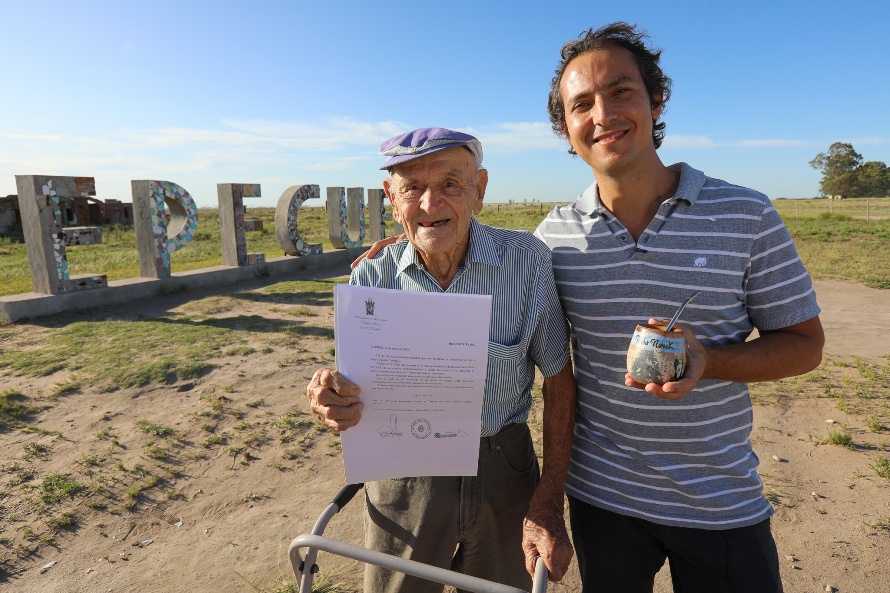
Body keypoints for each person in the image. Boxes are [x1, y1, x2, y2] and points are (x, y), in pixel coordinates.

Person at [532, 22, 825, 593]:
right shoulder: (554, 238)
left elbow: (806, 347)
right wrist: (418, 243)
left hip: (720, 500)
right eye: (581, 104)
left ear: (655, 99)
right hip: (602, 498)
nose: (603, 114)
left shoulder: (746, 215)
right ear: (567, 130)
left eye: (621, 91)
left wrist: (708, 361)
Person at [305, 127, 576, 593]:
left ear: (480, 190)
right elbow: (352, 384)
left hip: (503, 472)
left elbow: (559, 383)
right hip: (402, 475)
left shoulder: (526, 262)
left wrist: (549, 499)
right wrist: (330, 395)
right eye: (412, 188)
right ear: (392, 199)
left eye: (451, 183)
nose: (431, 204)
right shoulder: (371, 274)